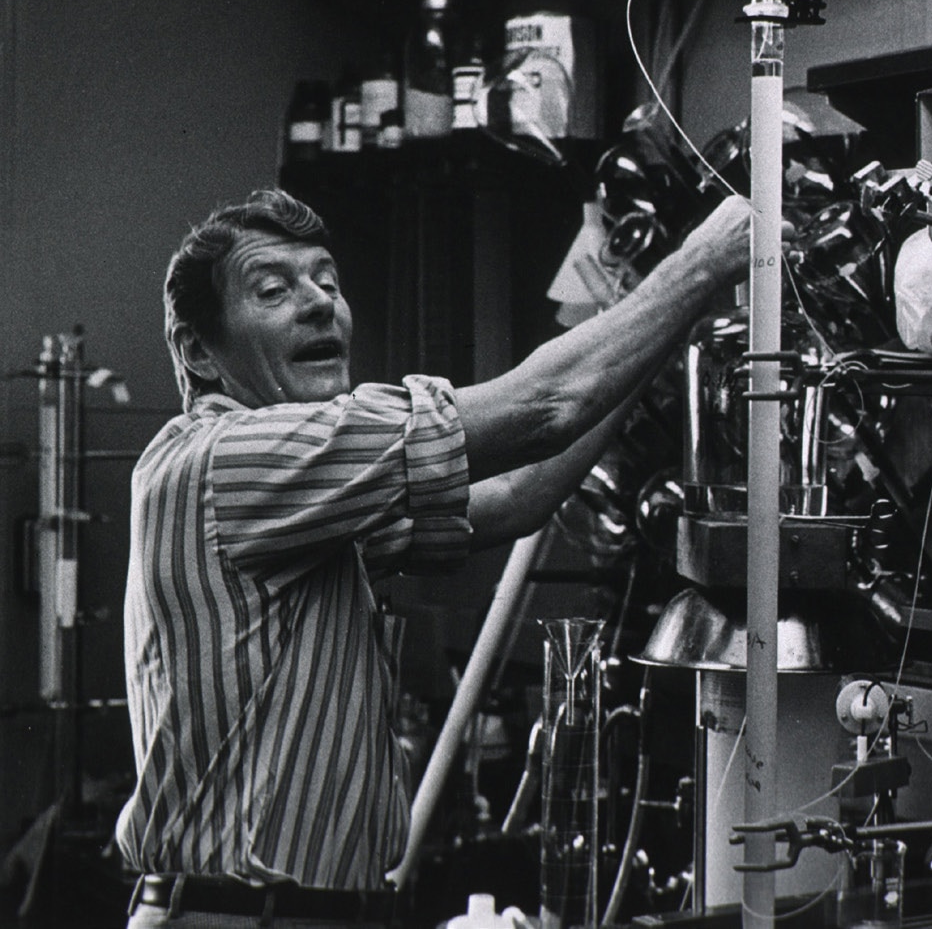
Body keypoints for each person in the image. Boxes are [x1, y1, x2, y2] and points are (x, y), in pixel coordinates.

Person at [115, 188, 752, 927]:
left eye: (328, 280)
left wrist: (672, 315)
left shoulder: (309, 510)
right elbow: (544, 406)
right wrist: (701, 263)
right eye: (273, 290)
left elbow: (517, 494)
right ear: (199, 348)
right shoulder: (226, 461)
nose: (320, 303)